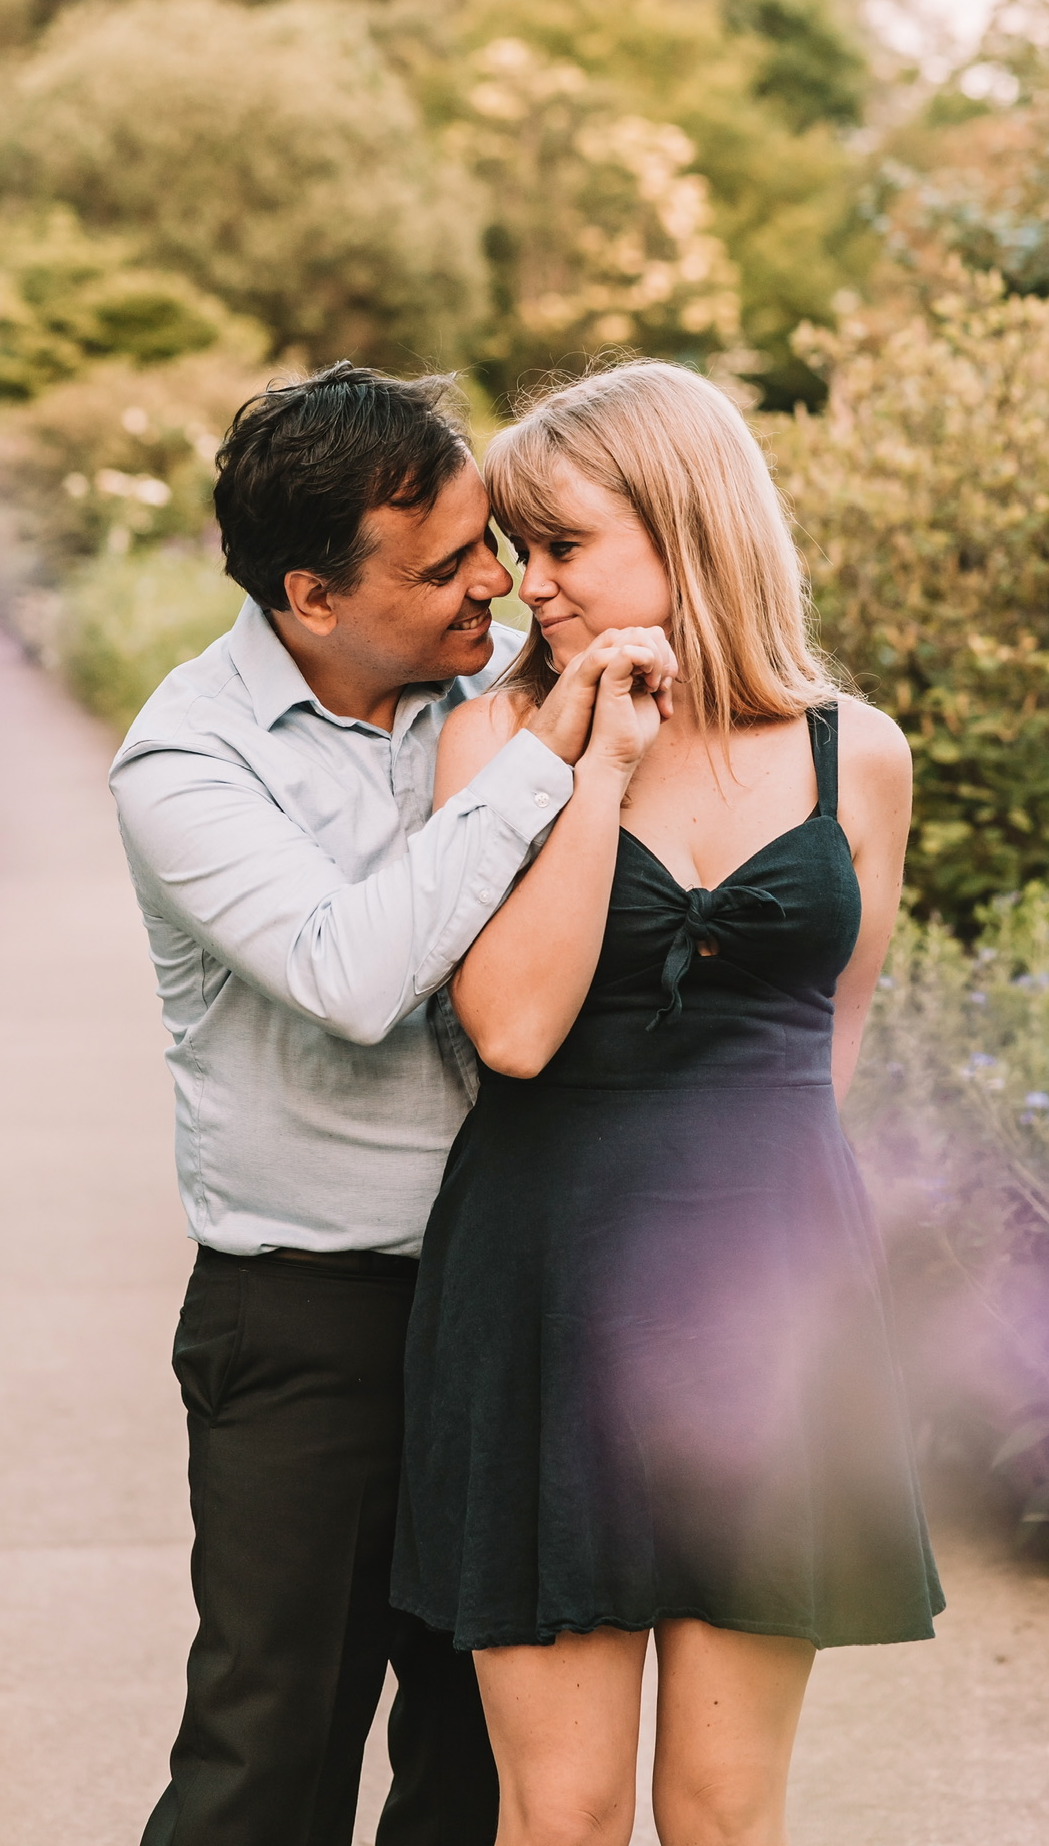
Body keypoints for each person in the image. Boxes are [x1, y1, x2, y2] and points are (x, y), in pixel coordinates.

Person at [109, 363, 675, 1846]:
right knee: (267, 1760)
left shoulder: (499, 688)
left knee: (487, 1773)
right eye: (445, 567)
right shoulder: (188, 764)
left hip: (523, 1301)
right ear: (310, 594)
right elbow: (351, 970)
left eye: (490, 540)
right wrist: (545, 759)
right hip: (311, 1324)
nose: (494, 581)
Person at [393, 361, 944, 1846]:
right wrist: (597, 764)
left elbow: (824, 1054)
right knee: (562, 1817)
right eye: (519, 552)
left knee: (720, 1811)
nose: (530, 588)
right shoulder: (495, 742)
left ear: (686, 525)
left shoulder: (859, 756)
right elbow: (511, 1030)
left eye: (562, 546)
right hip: (546, 1291)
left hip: (770, 1310)